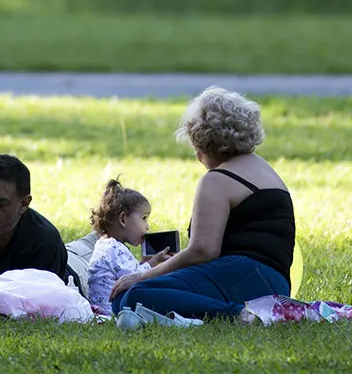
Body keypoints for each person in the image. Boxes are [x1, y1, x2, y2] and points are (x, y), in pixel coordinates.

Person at [110, 87, 296, 321]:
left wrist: (143, 275)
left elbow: (203, 250)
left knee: (134, 295)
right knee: (124, 299)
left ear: (203, 144)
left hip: (244, 278)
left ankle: (238, 316)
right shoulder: (264, 170)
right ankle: (187, 319)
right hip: (275, 285)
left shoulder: (218, 179)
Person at [86, 179, 172, 311]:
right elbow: (134, 279)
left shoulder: (105, 244)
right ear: (123, 219)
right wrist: (154, 262)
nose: (147, 226)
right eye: (144, 218)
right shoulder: (114, 248)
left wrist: (143, 264)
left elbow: (127, 274)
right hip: (114, 310)